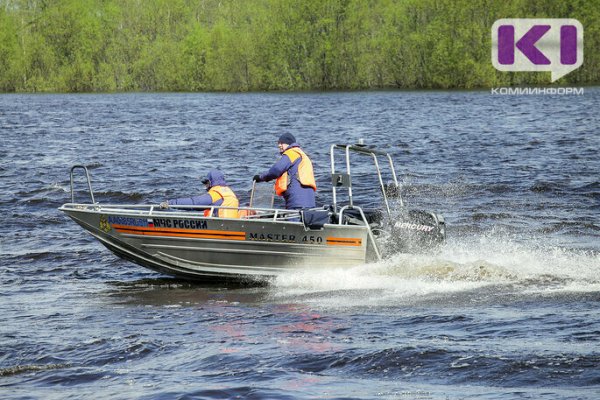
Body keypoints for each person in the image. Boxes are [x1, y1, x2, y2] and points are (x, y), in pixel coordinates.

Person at [253, 133, 316, 210]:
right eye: (278, 143)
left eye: (281, 143)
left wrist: (260, 177)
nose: (279, 145)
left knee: (293, 221)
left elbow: (276, 170)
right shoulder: (302, 154)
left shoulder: (291, 153)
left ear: (289, 143)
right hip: (310, 201)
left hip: (296, 200)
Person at [160, 169, 239, 218]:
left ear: (210, 182)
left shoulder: (215, 194)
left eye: (206, 183)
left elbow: (194, 203)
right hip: (230, 225)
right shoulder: (229, 192)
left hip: (222, 228)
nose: (205, 186)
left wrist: (170, 203)